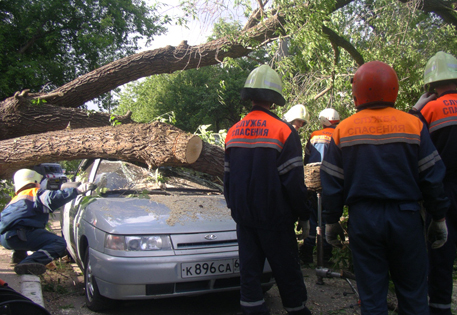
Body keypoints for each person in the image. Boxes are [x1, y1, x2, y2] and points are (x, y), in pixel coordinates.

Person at [320, 61, 450, 314]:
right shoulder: (413, 125)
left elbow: (332, 182)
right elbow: (432, 177)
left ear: (357, 92)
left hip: (364, 220)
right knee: (413, 294)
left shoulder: (343, 130)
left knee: (371, 296)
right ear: (394, 89)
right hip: (406, 218)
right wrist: (439, 216)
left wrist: (330, 220)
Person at [224, 64, 312, 315]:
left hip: (245, 221)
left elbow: (227, 181)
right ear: (275, 100)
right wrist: (304, 214)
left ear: (250, 96)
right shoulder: (284, 131)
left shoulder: (233, 132)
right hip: (276, 220)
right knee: (288, 277)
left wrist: (236, 209)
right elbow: (294, 184)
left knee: (249, 281)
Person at [409, 51, 457, 315]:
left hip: (441, 188)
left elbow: (410, 145)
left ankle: (439, 309)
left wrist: (415, 110)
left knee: (440, 253)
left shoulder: (429, 109)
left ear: (431, 83)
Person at [0, 168, 96, 275]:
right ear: (36, 181)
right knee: (58, 243)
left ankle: (18, 256)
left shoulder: (16, 198)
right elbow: (53, 198)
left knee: (27, 228)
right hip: (20, 235)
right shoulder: (35, 193)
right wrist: (77, 191)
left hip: (6, 238)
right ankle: (29, 262)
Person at [299, 108, 340, 266]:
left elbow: (307, 158)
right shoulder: (339, 134)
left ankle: (307, 255)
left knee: (312, 217)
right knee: (328, 218)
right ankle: (325, 257)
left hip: (313, 182)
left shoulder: (314, 135)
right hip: (331, 184)